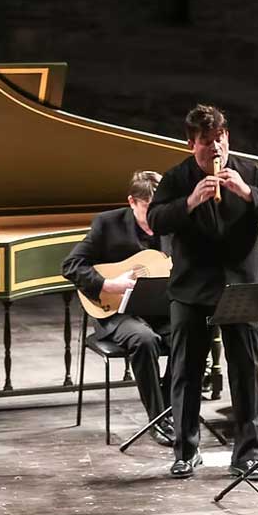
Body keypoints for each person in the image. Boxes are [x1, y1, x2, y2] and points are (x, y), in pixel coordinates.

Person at [147, 104, 258, 479]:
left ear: (228, 137)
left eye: (220, 139)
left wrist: (247, 193)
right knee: (186, 372)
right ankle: (186, 450)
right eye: (207, 141)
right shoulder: (177, 177)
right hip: (192, 289)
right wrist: (190, 201)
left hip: (241, 287)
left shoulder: (251, 172)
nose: (216, 148)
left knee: (245, 371)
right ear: (191, 143)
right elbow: (155, 219)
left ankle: (247, 453)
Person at [62, 170, 173, 444]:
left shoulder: (172, 226)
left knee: (193, 333)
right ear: (132, 201)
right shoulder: (108, 224)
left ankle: (170, 406)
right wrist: (108, 284)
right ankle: (158, 419)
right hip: (117, 312)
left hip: (159, 310)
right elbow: (71, 265)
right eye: (148, 207)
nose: (155, 215)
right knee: (144, 340)